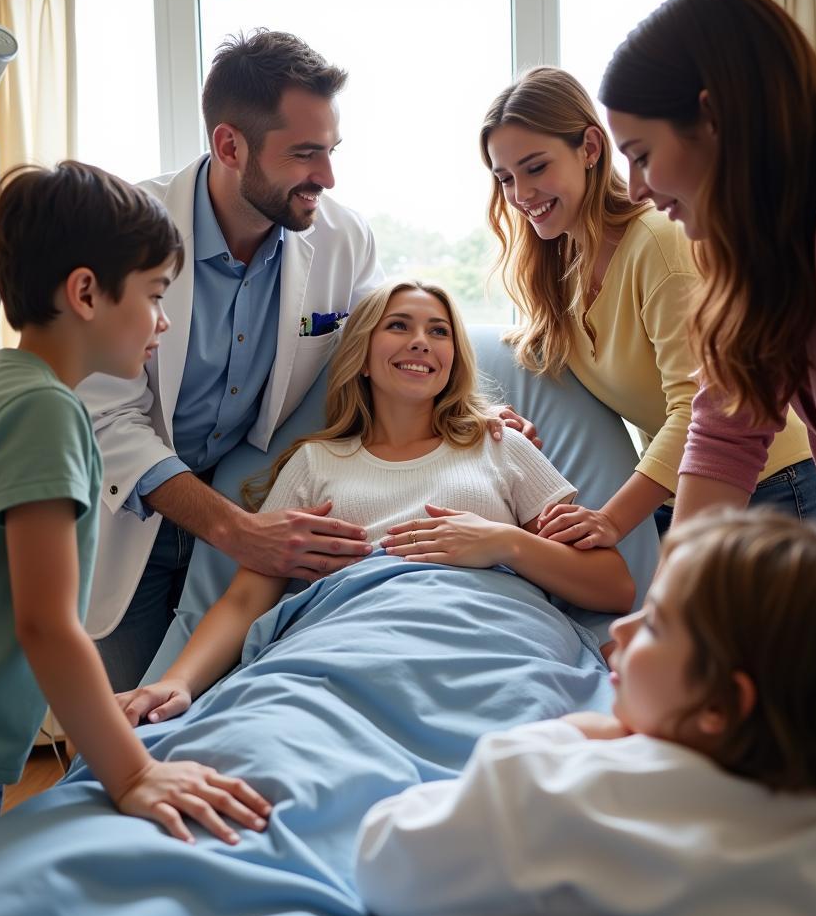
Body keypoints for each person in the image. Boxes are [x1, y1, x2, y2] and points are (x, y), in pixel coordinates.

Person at [599, 0, 816, 916]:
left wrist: (788, 650)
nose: (638, 187)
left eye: (642, 153)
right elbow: (724, 441)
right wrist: (674, 611)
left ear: (714, 116)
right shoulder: (754, 238)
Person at [81, 30, 537, 692]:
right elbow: (106, 417)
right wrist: (235, 531)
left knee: (233, 701)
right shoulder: (125, 231)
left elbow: (390, 345)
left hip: (242, 497)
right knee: (140, 713)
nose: (327, 176)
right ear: (229, 145)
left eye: (330, 150)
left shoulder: (341, 238)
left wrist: (476, 414)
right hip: (135, 513)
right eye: (305, 153)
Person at [0, 162, 272, 916]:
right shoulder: (41, 415)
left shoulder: (10, 391)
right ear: (87, 293)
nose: (163, 322)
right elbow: (46, 622)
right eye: (156, 296)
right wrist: (133, 775)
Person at [355, 511, 816, 916]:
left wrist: (567, 736)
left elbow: (387, 859)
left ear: (719, 706)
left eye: (655, 623)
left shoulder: (560, 790)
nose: (621, 627)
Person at [115, 280, 633, 729]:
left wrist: (504, 543)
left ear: (453, 359)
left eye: (439, 331)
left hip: (493, 643)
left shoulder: (501, 445)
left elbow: (613, 586)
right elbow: (247, 600)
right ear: (362, 354)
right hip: (348, 646)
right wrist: (178, 682)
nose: (420, 342)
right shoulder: (315, 463)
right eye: (399, 326)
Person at [480, 66, 816, 550]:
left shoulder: (660, 245)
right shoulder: (561, 267)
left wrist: (611, 520)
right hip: (682, 493)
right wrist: (501, 418)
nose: (521, 195)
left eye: (536, 168)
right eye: (505, 179)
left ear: (590, 148)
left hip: (773, 488)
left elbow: (697, 409)